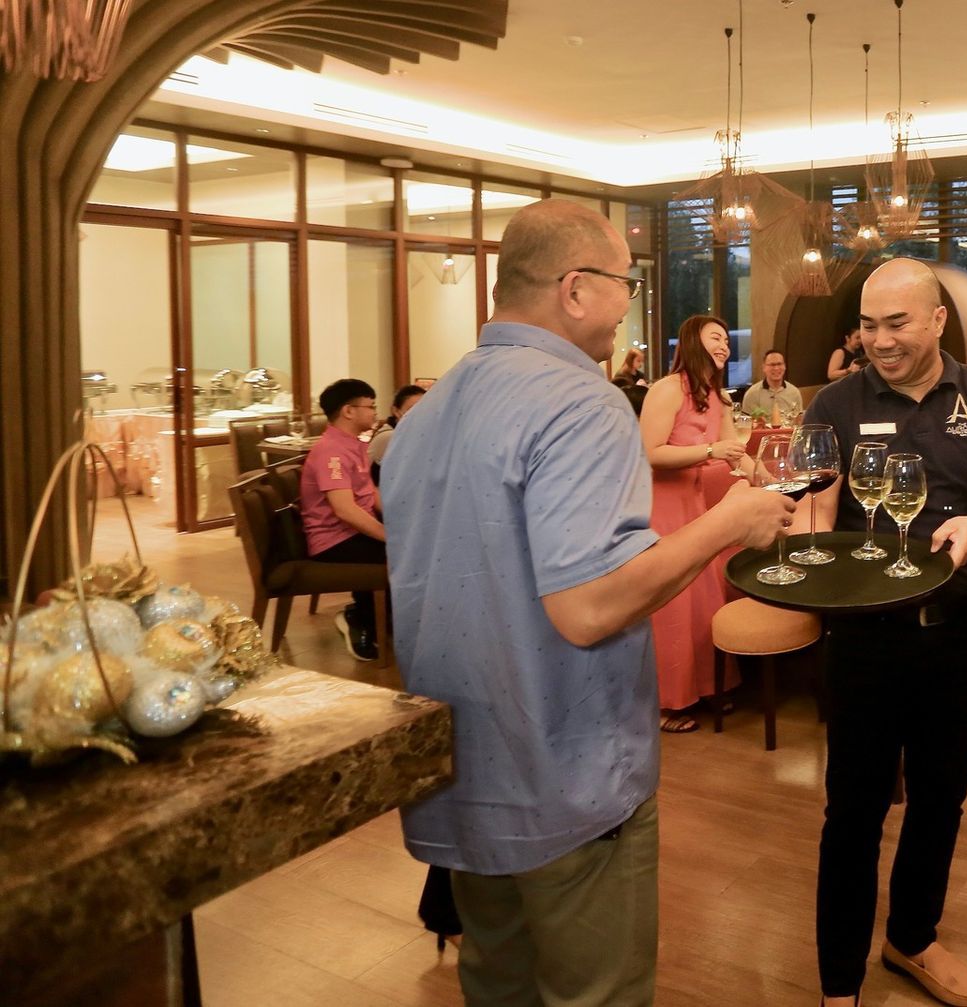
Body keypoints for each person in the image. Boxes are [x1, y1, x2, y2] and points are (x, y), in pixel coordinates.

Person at [382, 199, 792, 1007]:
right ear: (574, 289)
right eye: (624, 283)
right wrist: (727, 524)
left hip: (458, 769)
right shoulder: (582, 402)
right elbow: (588, 606)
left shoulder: (425, 415)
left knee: (497, 982)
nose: (628, 304)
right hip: (564, 770)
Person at [801, 258, 967, 1007]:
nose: (879, 340)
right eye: (869, 326)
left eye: (896, 324)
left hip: (952, 631)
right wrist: (801, 537)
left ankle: (911, 936)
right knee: (853, 809)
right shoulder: (837, 405)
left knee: (942, 796)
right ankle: (838, 981)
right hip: (864, 641)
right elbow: (817, 513)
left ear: (938, 319)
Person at [640, 314, 750, 733]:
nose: (724, 345)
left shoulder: (717, 398)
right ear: (691, 341)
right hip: (662, 506)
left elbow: (735, 453)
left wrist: (776, 477)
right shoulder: (667, 390)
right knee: (673, 603)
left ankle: (708, 686)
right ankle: (668, 702)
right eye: (715, 338)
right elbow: (648, 452)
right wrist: (709, 450)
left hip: (695, 502)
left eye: (725, 339)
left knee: (704, 596)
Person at [301, 377, 385, 662]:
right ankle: (362, 621)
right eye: (370, 406)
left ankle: (379, 620)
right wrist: (390, 536)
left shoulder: (353, 444)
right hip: (334, 539)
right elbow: (345, 510)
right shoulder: (331, 451)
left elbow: (370, 493)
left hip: (352, 532)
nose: (375, 412)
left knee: (414, 545)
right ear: (349, 411)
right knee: (401, 553)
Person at [367, 383, 427, 484]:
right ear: (396, 411)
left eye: (426, 408)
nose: (421, 414)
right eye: (412, 409)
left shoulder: (417, 435)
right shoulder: (389, 436)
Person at [741, 348, 804, 424]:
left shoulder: (794, 392)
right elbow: (744, 423)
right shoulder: (752, 394)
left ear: (785, 366)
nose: (776, 368)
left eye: (779, 364)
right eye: (772, 365)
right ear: (764, 367)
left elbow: (799, 422)